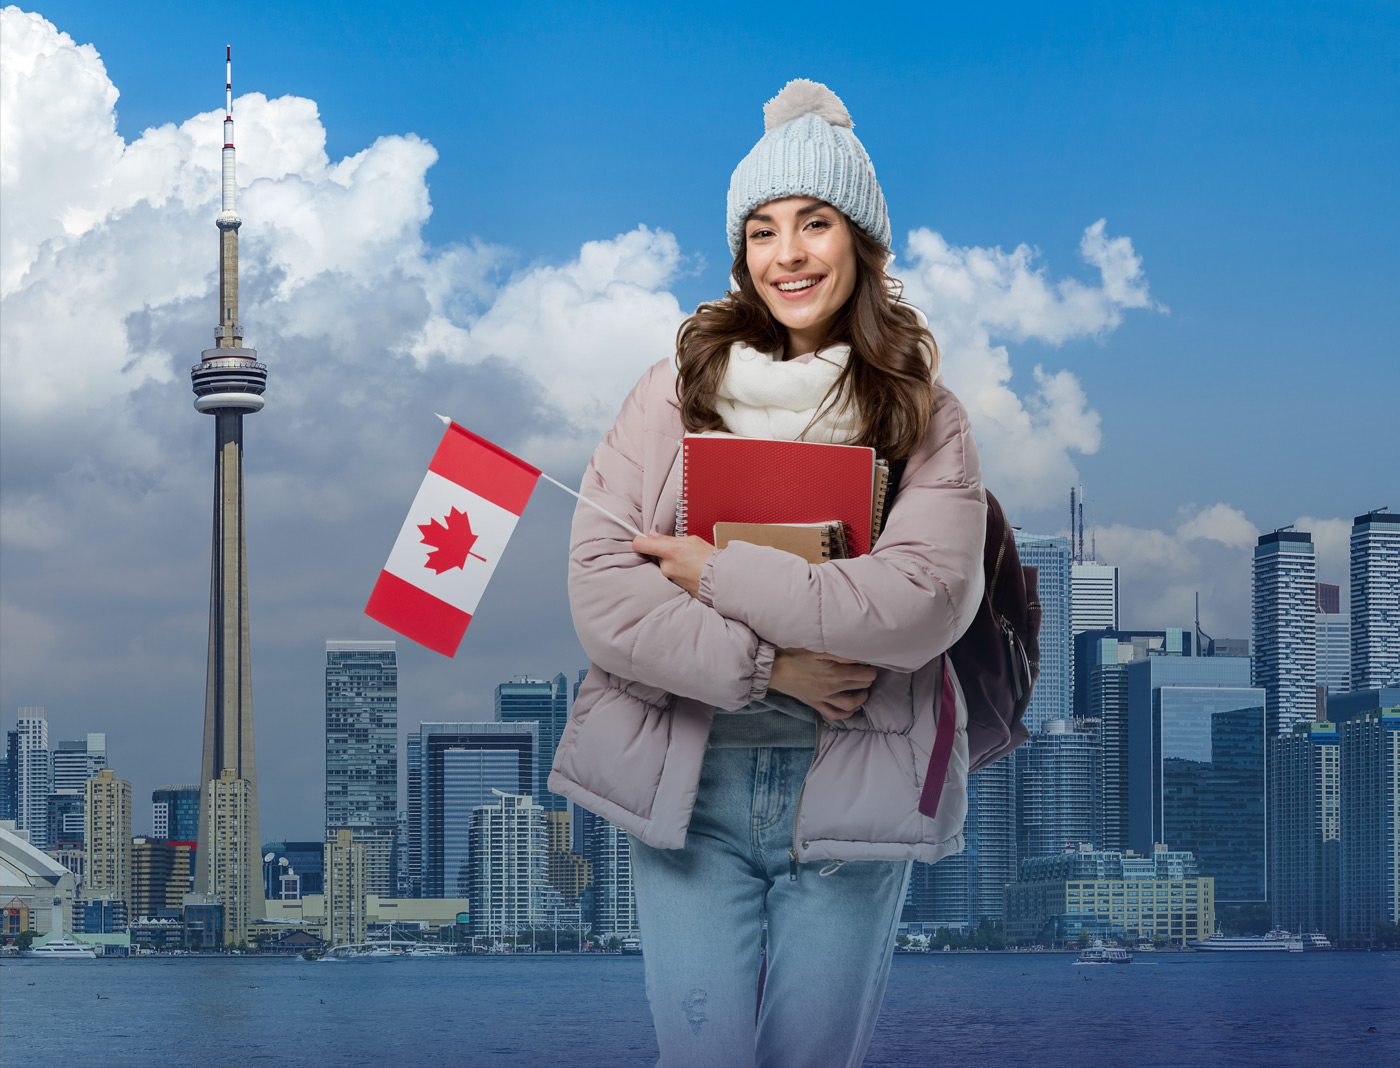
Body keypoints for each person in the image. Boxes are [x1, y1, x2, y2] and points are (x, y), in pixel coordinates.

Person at [548, 79, 987, 1068]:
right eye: (760, 230)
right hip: (685, 778)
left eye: (813, 223)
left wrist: (714, 574)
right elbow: (604, 596)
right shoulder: (669, 397)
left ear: (860, 243)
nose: (786, 254)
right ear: (739, 253)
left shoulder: (924, 414)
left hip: (853, 779)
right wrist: (770, 669)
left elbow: (922, 601)